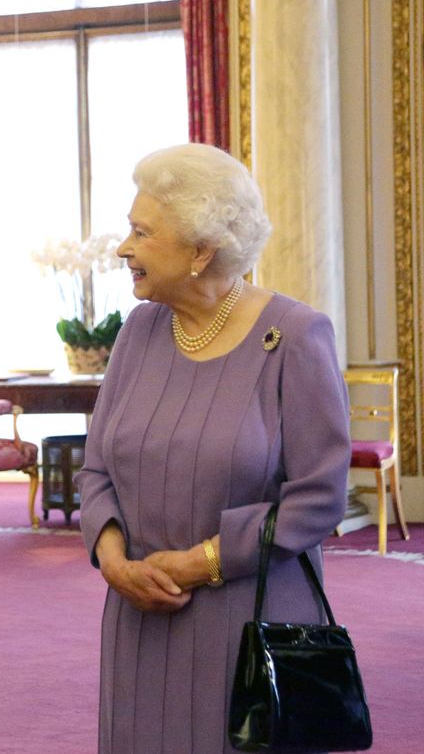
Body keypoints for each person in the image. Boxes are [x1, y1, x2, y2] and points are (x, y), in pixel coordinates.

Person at [76, 143, 351, 753]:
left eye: (142, 232)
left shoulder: (296, 336)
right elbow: (96, 468)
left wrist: (200, 562)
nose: (124, 248)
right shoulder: (138, 332)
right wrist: (114, 559)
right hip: (138, 617)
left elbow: (319, 497)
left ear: (201, 250)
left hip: (249, 624)